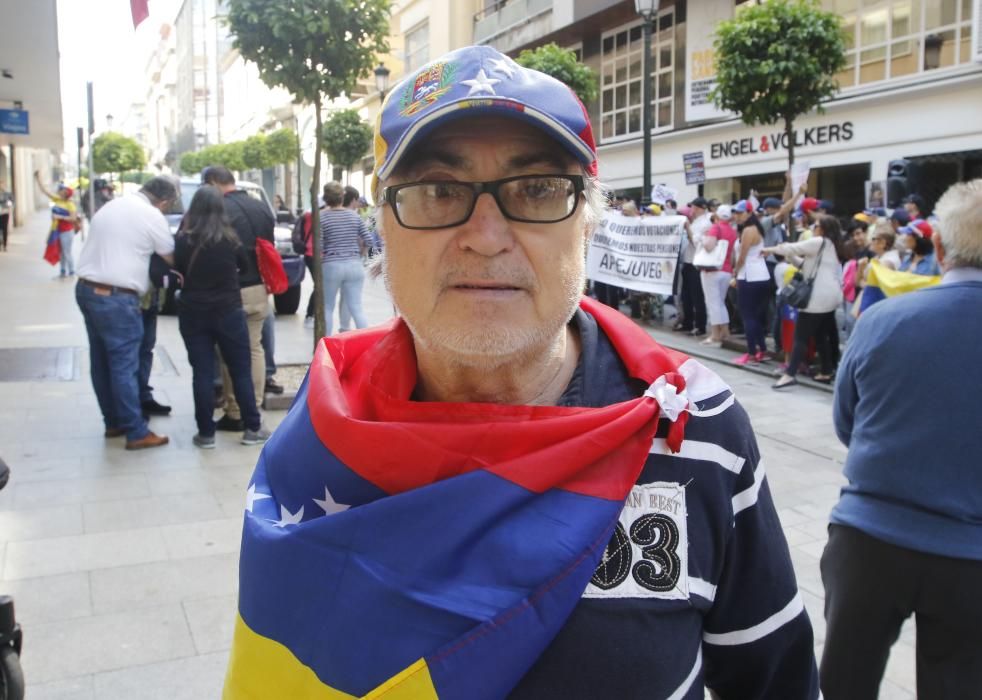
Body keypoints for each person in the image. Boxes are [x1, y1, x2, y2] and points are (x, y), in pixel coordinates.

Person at [224, 44, 819, 699]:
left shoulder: (692, 425)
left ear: (587, 223)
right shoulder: (323, 428)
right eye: (437, 190)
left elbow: (774, 681)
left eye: (537, 189)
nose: (485, 235)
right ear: (383, 225)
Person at [820, 179, 982, 699]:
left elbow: (848, 421)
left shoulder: (885, 319)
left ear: (937, 246)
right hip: (970, 558)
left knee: (845, 678)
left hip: (869, 539)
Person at [74, 177, 177, 450]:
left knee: (101, 361)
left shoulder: (112, 206)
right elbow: (170, 256)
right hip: (117, 298)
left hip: (87, 290)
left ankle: (114, 422)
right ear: (164, 201)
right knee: (124, 365)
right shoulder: (151, 215)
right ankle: (135, 431)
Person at [173, 186, 271, 448]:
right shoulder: (231, 239)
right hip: (228, 311)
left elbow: (178, 269)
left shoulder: (183, 239)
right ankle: (252, 427)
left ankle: (206, 434)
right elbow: (245, 266)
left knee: (202, 373)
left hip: (193, 312)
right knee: (240, 370)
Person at [200, 166, 274, 432]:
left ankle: (235, 411)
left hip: (230, 292)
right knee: (255, 348)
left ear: (211, 182)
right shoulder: (260, 207)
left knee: (230, 354)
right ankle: (252, 406)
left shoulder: (219, 211)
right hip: (259, 288)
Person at [764, 215, 845, 388]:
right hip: (830, 296)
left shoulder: (819, 241)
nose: (814, 228)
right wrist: (790, 255)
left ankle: (790, 374)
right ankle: (826, 370)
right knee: (821, 336)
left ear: (822, 229)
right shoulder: (830, 245)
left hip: (817, 298)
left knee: (800, 336)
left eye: (816, 225)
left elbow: (794, 247)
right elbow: (806, 264)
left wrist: (770, 249)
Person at [319, 181, 374, 336]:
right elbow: (369, 239)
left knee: (327, 307)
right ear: (342, 197)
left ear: (326, 198)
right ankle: (365, 343)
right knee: (356, 307)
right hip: (354, 265)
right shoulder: (353, 216)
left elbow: (319, 245)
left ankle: (326, 345)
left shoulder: (322, 217)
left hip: (332, 265)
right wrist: (361, 253)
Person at [731, 201, 772, 365]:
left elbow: (742, 256)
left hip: (749, 276)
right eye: (736, 213)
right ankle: (761, 350)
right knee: (754, 316)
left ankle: (752, 352)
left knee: (748, 316)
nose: (737, 216)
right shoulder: (757, 228)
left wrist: (735, 272)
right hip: (760, 275)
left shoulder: (749, 230)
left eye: (740, 213)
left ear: (749, 213)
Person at [698, 203, 738, 347]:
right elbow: (733, 254)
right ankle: (725, 332)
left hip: (712, 270)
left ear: (717, 215)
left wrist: (703, 239)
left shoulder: (715, 227)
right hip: (726, 270)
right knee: (720, 302)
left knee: (713, 303)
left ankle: (715, 335)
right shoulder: (733, 231)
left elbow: (709, 246)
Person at [676, 196, 710, 335]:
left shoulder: (706, 223)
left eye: (695, 207)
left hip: (697, 263)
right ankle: (688, 322)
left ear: (701, 208)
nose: (692, 210)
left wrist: (688, 227)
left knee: (697, 296)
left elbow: (695, 242)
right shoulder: (696, 222)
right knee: (686, 296)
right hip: (688, 261)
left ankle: (700, 325)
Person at [34, 171, 79, 277]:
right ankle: (62, 271)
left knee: (66, 252)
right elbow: (44, 191)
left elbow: (73, 218)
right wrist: (38, 179)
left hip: (67, 230)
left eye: (62, 189)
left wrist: (60, 217)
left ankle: (72, 271)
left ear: (65, 193)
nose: (60, 190)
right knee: (61, 251)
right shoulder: (57, 199)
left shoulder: (70, 204)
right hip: (57, 229)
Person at [0, 187, 11, 251]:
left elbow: (11, 201)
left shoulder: (6, 193)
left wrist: (9, 206)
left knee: (4, 229)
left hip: (4, 213)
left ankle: (5, 245)